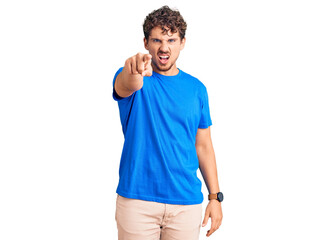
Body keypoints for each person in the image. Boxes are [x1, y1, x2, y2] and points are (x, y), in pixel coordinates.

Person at [112, 6, 223, 240]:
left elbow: (203, 146)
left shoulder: (197, 89)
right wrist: (133, 70)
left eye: (171, 39)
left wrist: (215, 197)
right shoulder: (134, 76)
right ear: (145, 43)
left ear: (182, 42)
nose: (164, 47)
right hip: (137, 203)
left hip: (185, 205)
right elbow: (125, 84)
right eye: (157, 40)